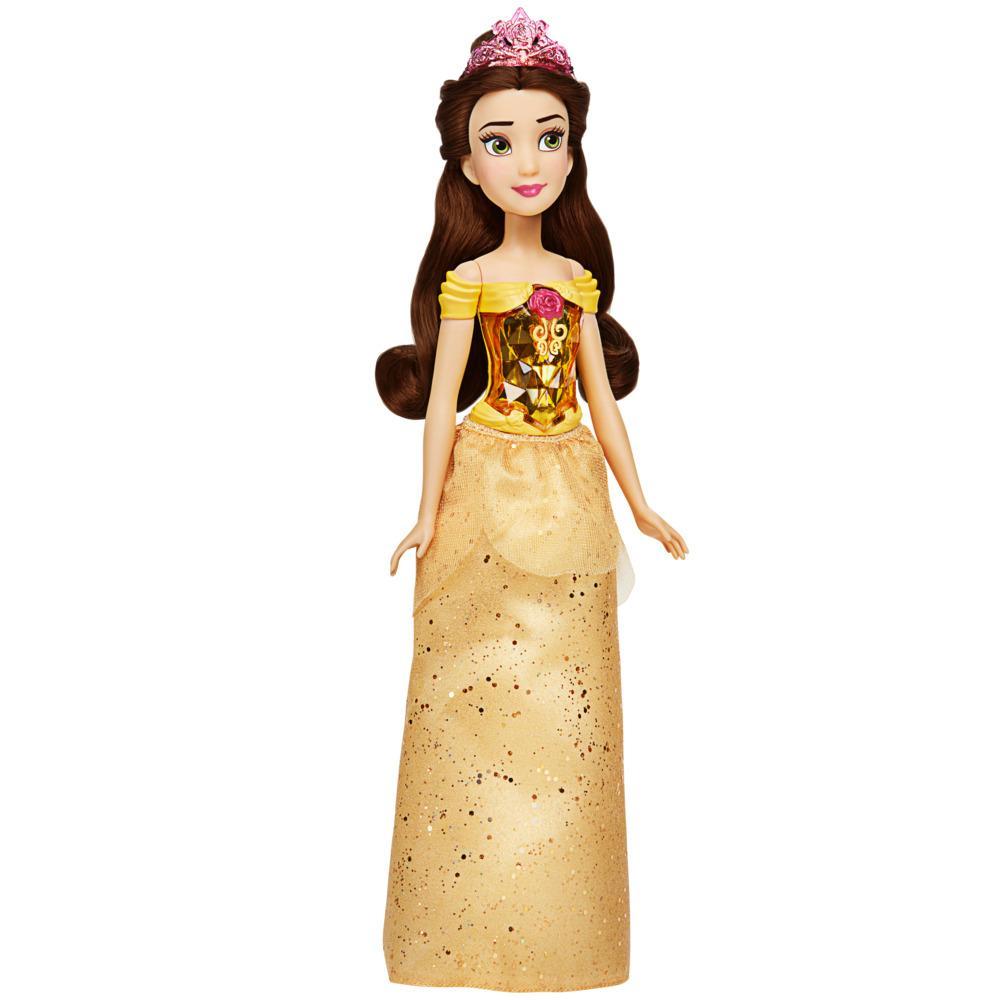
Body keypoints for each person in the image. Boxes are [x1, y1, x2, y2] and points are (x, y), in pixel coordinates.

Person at [375, 8, 688, 991]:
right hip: (483, 489)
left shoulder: (575, 281)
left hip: (570, 494)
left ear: (572, 152)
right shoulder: (469, 280)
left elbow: (600, 404)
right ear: (468, 166)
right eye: (501, 142)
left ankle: (565, 936)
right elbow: (442, 405)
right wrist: (426, 512)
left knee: (570, 720)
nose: (528, 161)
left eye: (548, 138)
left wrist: (641, 503)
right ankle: (455, 937)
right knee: (464, 705)